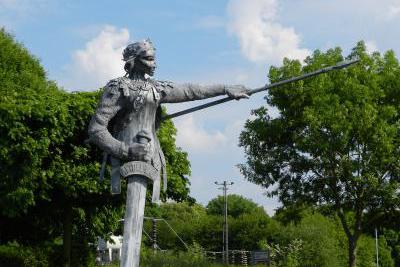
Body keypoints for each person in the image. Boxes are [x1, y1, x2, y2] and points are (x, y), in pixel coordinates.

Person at [88, 39, 248, 203]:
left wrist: (225, 89)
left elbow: (190, 91)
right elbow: (96, 129)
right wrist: (125, 150)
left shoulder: (157, 88)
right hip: (123, 155)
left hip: (151, 154)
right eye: (148, 59)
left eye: (154, 59)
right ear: (133, 61)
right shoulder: (118, 87)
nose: (154, 64)